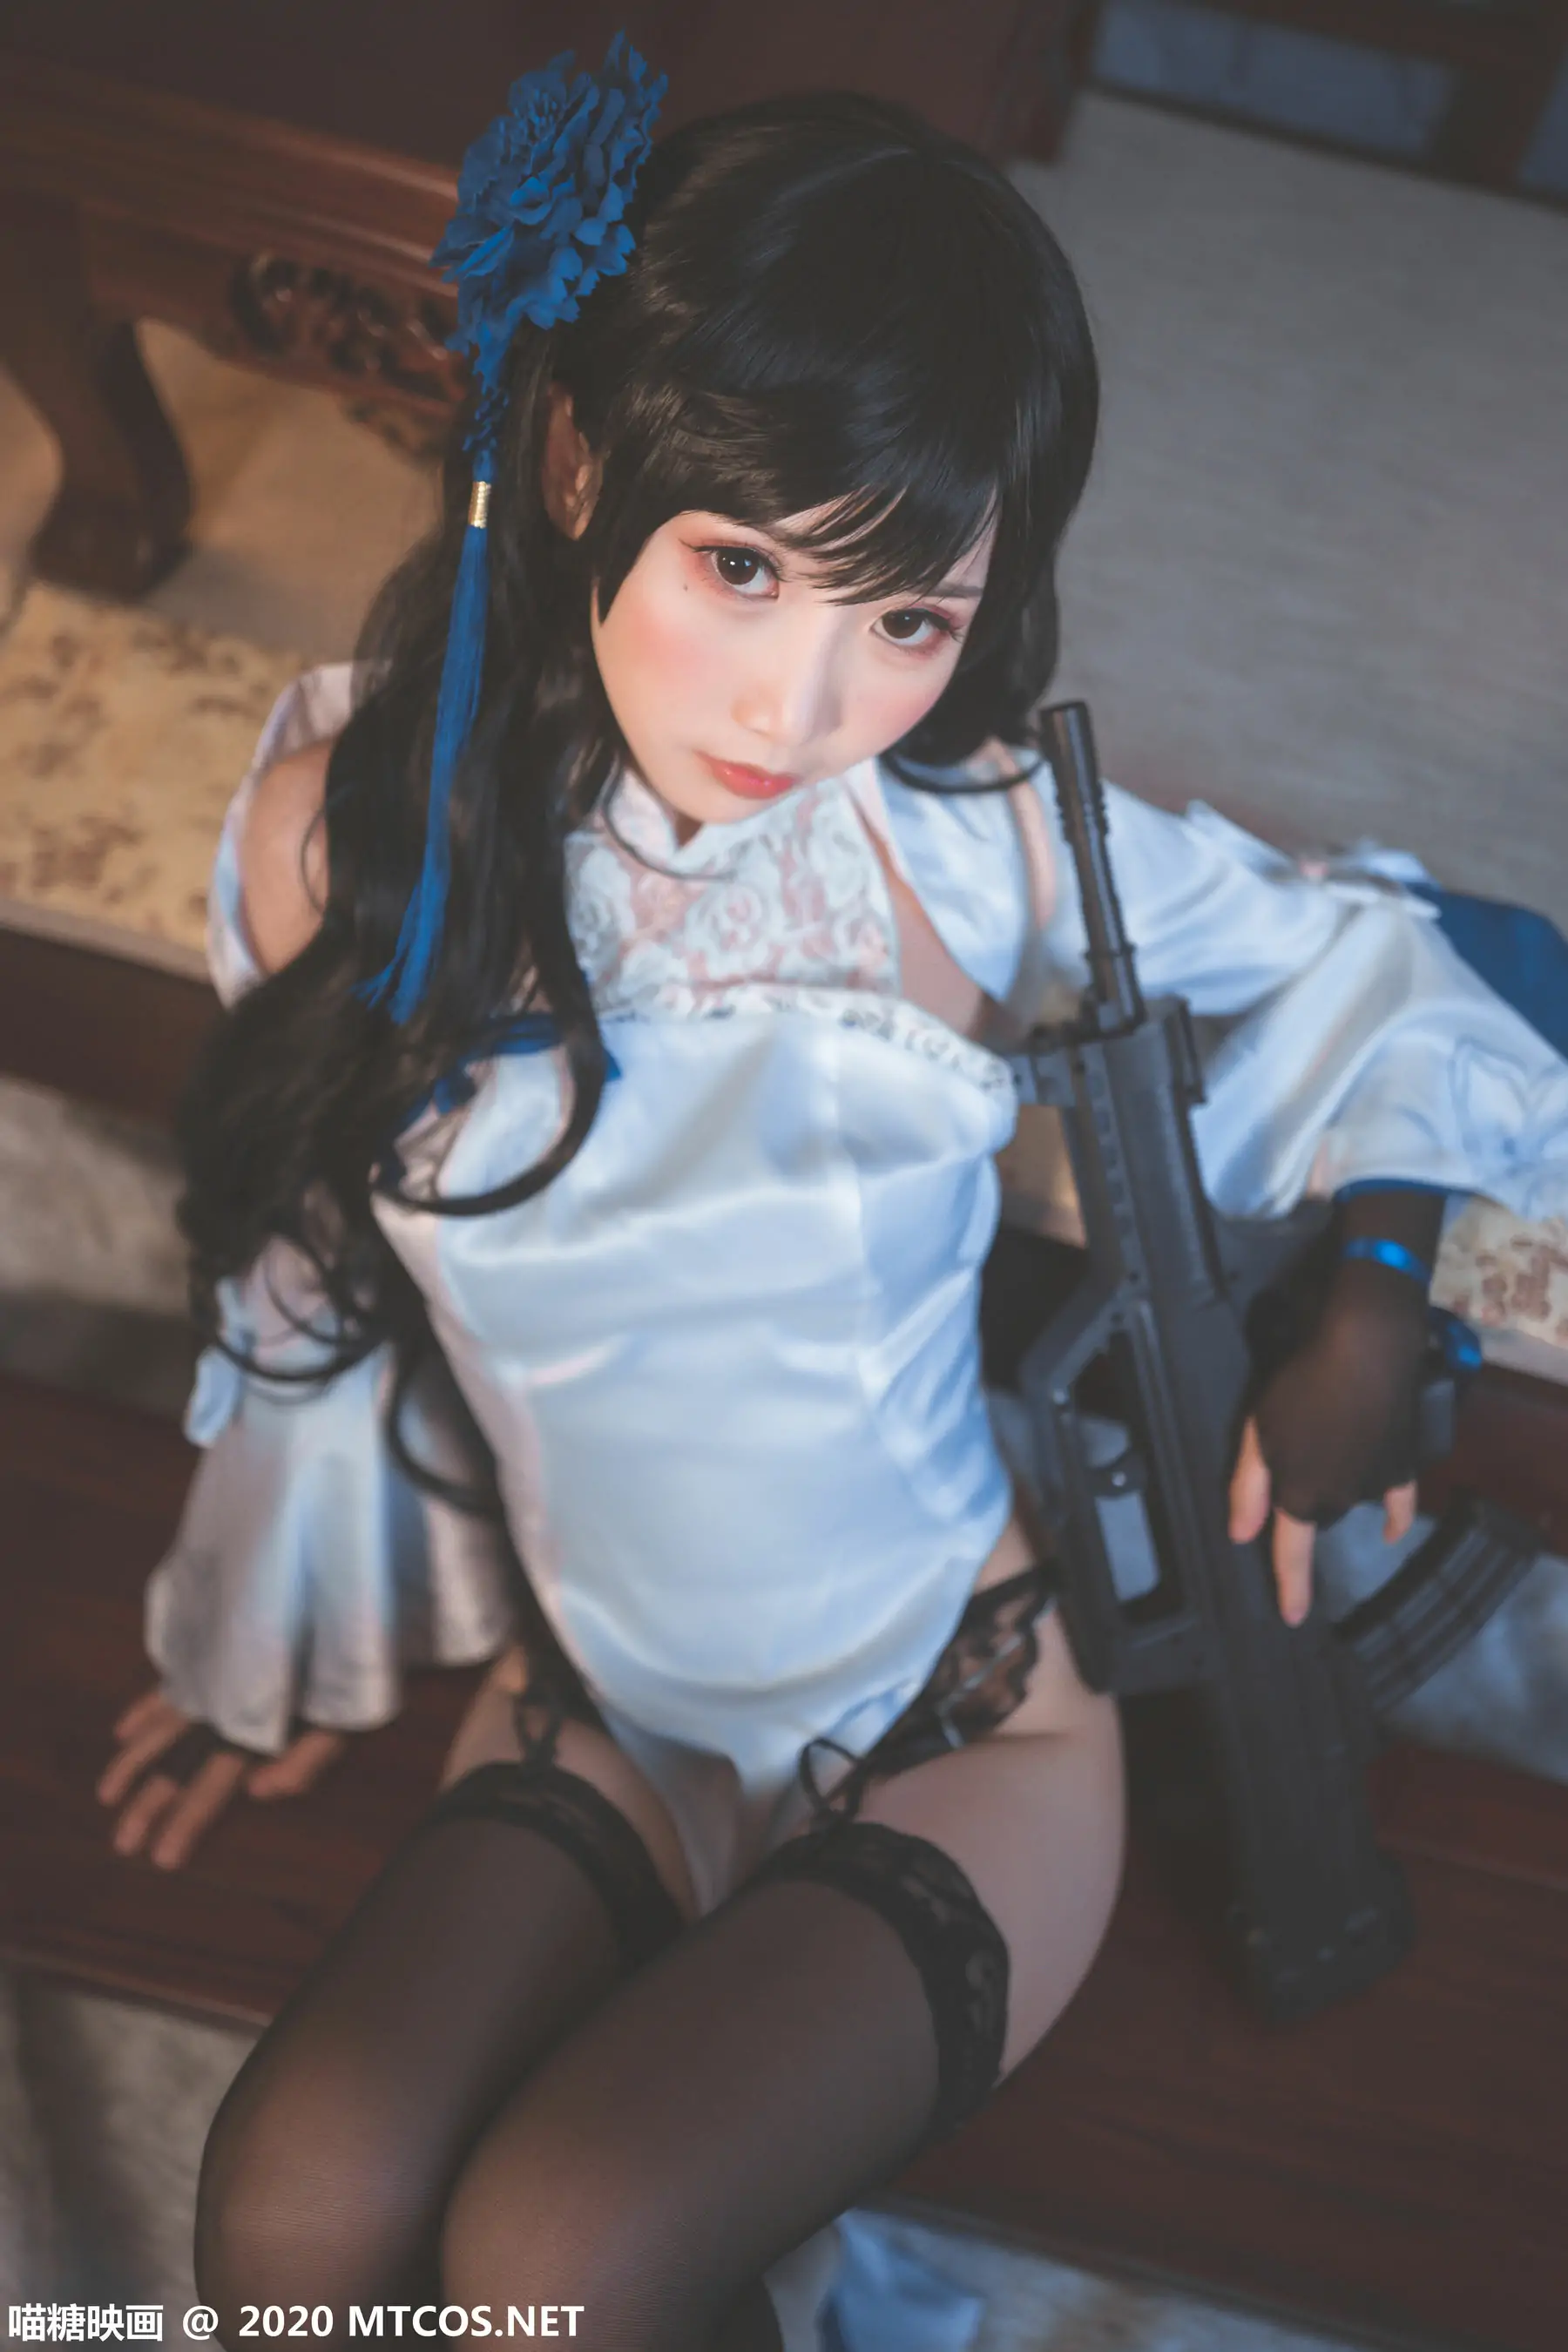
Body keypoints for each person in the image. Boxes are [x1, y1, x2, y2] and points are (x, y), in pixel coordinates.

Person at [91, 43, 1568, 2352]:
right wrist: (265, 1631)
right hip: (599, 1691)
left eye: (907, 615)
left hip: (957, 1707)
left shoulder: (957, 849)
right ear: (578, 461)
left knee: (561, 2258)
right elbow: (308, 1269)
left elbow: (1405, 952)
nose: (800, 704)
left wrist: (1382, 1281)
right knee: (288, 2226)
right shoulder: (345, 840)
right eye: (744, 566)